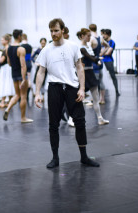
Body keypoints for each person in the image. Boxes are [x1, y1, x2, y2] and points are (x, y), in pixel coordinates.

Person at [35, 18, 100, 168]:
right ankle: (55, 158)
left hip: (72, 88)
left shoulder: (73, 46)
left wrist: (82, 88)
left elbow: (79, 68)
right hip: (54, 88)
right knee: (53, 125)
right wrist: (38, 93)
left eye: (56, 30)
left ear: (63, 30)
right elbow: (41, 72)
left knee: (80, 122)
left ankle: (84, 157)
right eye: (51, 31)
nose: (53, 34)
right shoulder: (46, 50)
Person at [77, 28, 109, 125]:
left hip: (90, 72)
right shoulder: (80, 47)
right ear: (82, 36)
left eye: (90, 35)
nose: (90, 37)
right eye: (88, 35)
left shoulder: (88, 45)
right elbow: (88, 56)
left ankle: (100, 118)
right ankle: (71, 119)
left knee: (96, 97)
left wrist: (97, 58)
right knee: (77, 99)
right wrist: (96, 60)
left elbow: (92, 55)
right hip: (83, 74)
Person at [3, 29, 33, 123]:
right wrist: (24, 79)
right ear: (19, 36)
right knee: (23, 96)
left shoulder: (8, 48)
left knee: (17, 95)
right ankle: (23, 118)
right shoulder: (21, 49)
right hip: (21, 75)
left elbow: (9, 62)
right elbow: (23, 66)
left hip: (14, 74)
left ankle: (7, 109)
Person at [89, 24, 109, 104]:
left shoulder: (91, 38)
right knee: (100, 81)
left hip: (93, 62)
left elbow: (88, 50)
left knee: (94, 82)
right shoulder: (100, 38)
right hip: (99, 61)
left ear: (90, 29)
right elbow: (107, 46)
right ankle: (102, 99)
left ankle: (95, 99)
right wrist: (101, 54)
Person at [0, 34, 15, 108]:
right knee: (9, 83)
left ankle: (3, 102)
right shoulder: (10, 48)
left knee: (4, 83)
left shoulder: (6, 49)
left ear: (6, 41)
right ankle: (9, 102)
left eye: (2, 40)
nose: (1, 41)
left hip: (5, 68)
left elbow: (1, 60)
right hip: (9, 68)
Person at [101, 29, 120, 96]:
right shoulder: (103, 42)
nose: (103, 36)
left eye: (104, 34)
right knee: (101, 77)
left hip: (108, 61)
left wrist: (102, 52)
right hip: (102, 60)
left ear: (108, 34)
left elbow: (108, 52)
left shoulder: (112, 42)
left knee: (113, 76)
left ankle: (117, 91)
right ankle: (101, 92)